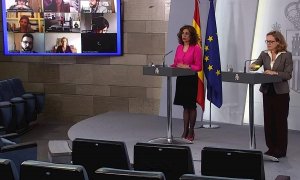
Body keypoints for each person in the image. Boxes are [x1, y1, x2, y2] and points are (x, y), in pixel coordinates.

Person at [250, 31, 293, 158]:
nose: (268, 44)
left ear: (278, 42)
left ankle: (280, 149)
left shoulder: (286, 55)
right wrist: (253, 66)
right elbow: (257, 64)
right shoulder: (264, 54)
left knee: (280, 121)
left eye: (271, 41)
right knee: (268, 121)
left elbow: (288, 74)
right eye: (267, 41)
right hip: (267, 91)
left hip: (281, 93)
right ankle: (271, 148)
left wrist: (275, 73)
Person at [171, 25, 202, 141]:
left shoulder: (196, 48)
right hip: (181, 79)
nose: (184, 35)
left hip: (191, 79)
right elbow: (175, 63)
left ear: (191, 35)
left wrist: (187, 66)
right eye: (183, 33)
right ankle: (185, 130)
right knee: (185, 107)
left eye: (187, 33)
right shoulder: (179, 48)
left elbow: (198, 67)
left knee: (191, 106)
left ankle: (191, 131)